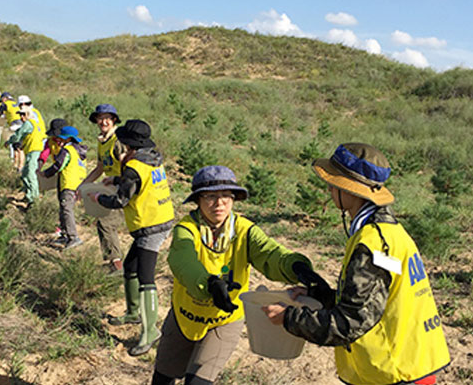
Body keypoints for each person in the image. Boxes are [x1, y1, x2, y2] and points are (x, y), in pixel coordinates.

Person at [262, 143, 451, 385]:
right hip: (411, 364)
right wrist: (320, 296)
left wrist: (289, 318)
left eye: (333, 183)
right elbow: (375, 299)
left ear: (350, 190)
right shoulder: (390, 233)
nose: (329, 189)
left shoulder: (371, 244)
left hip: (392, 372)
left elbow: (350, 323)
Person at [151, 165, 313, 385]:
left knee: (197, 382)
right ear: (198, 200)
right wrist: (209, 284)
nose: (219, 204)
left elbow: (269, 253)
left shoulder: (245, 230)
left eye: (226, 196)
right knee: (163, 378)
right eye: (210, 196)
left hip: (225, 320)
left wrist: (294, 266)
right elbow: (183, 260)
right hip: (185, 316)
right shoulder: (187, 229)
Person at [89, 119, 174, 356]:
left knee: (146, 278)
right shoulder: (152, 157)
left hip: (150, 225)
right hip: (162, 216)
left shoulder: (134, 166)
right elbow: (140, 184)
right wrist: (116, 180)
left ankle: (150, 332)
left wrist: (99, 199)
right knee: (130, 266)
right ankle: (134, 313)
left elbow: (120, 200)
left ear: (128, 143)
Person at [78, 104, 127, 272]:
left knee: (106, 223)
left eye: (107, 118)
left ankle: (117, 265)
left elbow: (127, 166)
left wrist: (118, 181)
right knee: (104, 222)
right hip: (110, 186)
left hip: (122, 186)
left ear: (114, 120)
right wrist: (83, 185)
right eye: (100, 118)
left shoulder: (117, 141)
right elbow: (99, 168)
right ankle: (114, 261)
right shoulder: (103, 142)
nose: (103, 121)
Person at [39, 125, 88, 250]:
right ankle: (65, 235)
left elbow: (58, 166)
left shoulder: (67, 150)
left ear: (68, 139)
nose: (59, 141)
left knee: (66, 210)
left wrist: (45, 174)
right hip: (78, 183)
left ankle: (73, 237)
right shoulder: (80, 151)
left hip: (68, 183)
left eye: (62, 139)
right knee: (64, 209)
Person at [4, 104, 47, 208]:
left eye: (23, 114)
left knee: (31, 174)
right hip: (33, 150)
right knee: (25, 173)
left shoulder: (28, 124)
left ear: (28, 114)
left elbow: (18, 135)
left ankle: (34, 199)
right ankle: (29, 194)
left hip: (34, 150)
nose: (21, 117)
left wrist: (9, 141)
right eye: (20, 115)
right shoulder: (35, 123)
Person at [0, 92, 23, 165]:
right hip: (22, 124)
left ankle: (12, 160)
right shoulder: (16, 104)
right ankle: (20, 165)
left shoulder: (6, 104)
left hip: (14, 125)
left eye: (2, 100)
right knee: (20, 147)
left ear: (5, 98)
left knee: (12, 143)